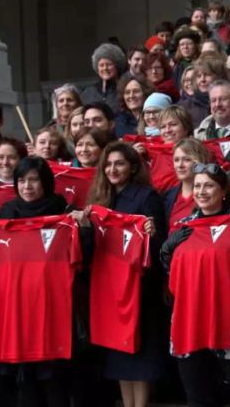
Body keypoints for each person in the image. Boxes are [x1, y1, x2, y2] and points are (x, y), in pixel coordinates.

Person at [159, 163, 230, 406]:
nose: (201, 191)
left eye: (209, 185)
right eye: (197, 185)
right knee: (198, 399)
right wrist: (166, 251)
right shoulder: (182, 227)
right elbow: (173, 276)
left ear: (223, 191)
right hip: (189, 323)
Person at [0, 157, 86, 407]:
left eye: (34, 180)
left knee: (55, 384)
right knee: (25, 386)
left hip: (54, 308)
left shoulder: (63, 212)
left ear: (45, 182)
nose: (27, 186)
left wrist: (84, 228)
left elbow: (84, 255)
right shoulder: (5, 213)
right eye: (21, 180)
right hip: (18, 310)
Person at [86, 142, 166, 407]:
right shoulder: (99, 199)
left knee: (139, 355)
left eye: (119, 163)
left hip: (139, 287)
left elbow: (159, 245)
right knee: (118, 353)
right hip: (109, 287)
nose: (112, 169)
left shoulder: (147, 196)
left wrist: (152, 234)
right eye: (108, 164)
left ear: (132, 167)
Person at [162, 138, 215, 227]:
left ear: (200, 161)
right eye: (176, 160)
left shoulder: (212, 193)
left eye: (187, 160)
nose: (180, 165)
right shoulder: (167, 197)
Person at [179, 53, 228, 127]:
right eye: (199, 76)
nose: (202, 80)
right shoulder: (184, 108)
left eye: (207, 74)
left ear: (219, 76)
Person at [81, 43, 127, 112]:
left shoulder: (126, 89)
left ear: (117, 65)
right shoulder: (89, 92)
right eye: (101, 65)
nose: (105, 68)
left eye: (109, 64)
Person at [114, 74, 154, 139]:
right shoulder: (119, 121)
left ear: (145, 93)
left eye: (136, 91)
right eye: (127, 92)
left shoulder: (154, 117)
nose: (131, 96)